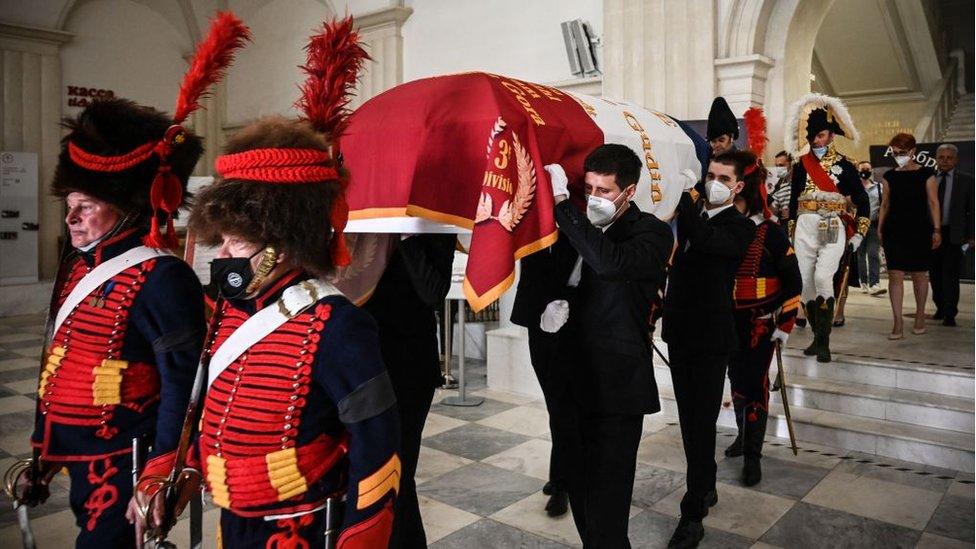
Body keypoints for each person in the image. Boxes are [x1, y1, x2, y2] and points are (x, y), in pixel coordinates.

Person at [150, 19, 401, 547]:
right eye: (222, 239)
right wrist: (168, 474)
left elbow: (376, 441)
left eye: (237, 242)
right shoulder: (227, 311)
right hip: (234, 518)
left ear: (282, 244)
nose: (223, 254)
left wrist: (364, 534)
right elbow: (205, 410)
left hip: (303, 527)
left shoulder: (337, 325)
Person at [12, 15, 246, 548]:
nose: (71, 219)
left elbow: (183, 386)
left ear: (123, 210)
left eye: (86, 206)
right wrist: (43, 456)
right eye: (69, 206)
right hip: (73, 449)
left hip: (128, 456)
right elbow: (62, 366)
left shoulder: (162, 277)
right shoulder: (77, 269)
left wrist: (161, 471)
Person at [544, 144, 673, 547]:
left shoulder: (650, 231)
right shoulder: (582, 229)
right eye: (589, 188)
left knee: (607, 504)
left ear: (628, 193)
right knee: (581, 494)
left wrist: (564, 205)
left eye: (604, 190)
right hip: (575, 380)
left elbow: (611, 264)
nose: (595, 198)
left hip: (617, 388)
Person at [663, 152, 755, 548]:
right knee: (689, 423)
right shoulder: (696, 218)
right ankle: (707, 482)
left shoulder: (739, 227)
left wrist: (684, 196)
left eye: (723, 177)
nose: (714, 181)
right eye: (710, 175)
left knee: (700, 425)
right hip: (681, 334)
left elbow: (703, 241)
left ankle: (693, 512)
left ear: (737, 186)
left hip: (710, 340)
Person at [362, 233, 455, 547]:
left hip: (409, 366)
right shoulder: (361, 221)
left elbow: (433, 292)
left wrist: (407, 235)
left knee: (398, 477)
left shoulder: (431, 224)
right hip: (358, 365)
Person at [785, 93, 870, 363]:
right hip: (804, 226)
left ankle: (824, 340)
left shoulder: (845, 166)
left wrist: (860, 233)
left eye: (821, 136)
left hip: (831, 224)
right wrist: (791, 231)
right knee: (806, 283)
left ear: (831, 135)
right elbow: (791, 200)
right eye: (813, 137)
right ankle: (816, 337)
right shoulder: (800, 166)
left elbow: (863, 200)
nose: (816, 141)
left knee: (823, 278)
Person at [511, 236, 579, 517]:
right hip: (536, 312)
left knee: (565, 402)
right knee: (555, 401)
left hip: (571, 315)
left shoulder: (578, 205)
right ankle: (561, 472)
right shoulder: (535, 206)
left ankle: (563, 482)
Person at [878, 133, 941, 338]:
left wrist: (937, 229)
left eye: (902, 153)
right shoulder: (890, 176)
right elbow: (885, 204)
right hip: (894, 230)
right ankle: (897, 322)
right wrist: (880, 228)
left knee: (919, 275)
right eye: (895, 153)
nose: (898, 156)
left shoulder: (927, 174)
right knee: (895, 275)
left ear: (913, 151)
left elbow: (933, 203)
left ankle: (920, 315)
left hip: (919, 230)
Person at [929, 143, 974, 326]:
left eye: (949, 157)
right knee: (935, 274)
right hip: (932, 234)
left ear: (955, 160)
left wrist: (972, 236)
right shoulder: (929, 179)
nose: (945, 161)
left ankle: (950, 313)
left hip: (955, 234)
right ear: (937, 159)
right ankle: (939, 307)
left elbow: (973, 210)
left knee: (951, 275)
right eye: (941, 157)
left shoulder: (968, 180)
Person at [857, 160, 885, 295]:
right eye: (862, 169)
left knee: (873, 253)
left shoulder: (879, 187)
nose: (865, 172)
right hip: (858, 224)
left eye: (867, 169)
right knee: (860, 254)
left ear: (871, 170)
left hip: (873, 224)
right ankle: (863, 281)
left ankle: (875, 283)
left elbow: (885, 204)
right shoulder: (854, 188)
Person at [769, 151, 793, 223]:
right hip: (785, 226)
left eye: (781, 165)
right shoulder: (779, 185)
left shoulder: (801, 182)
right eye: (776, 166)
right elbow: (775, 211)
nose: (778, 169)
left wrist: (793, 212)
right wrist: (767, 200)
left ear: (791, 164)